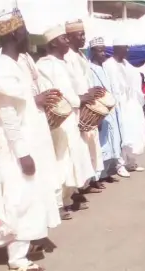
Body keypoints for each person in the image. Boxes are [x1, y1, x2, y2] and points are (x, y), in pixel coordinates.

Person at [0, 8, 61, 271]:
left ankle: (27, 244)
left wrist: (40, 100)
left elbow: (26, 97)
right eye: (25, 29)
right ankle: (17, 259)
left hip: (34, 138)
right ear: (15, 32)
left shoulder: (22, 60)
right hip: (17, 146)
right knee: (20, 198)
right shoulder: (1, 65)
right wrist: (22, 153)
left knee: (35, 195)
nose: (28, 34)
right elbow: (7, 114)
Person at [36, 24, 95, 218]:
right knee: (61, 159)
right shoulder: (46, 64)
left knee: (73, 158)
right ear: (53, 42)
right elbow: (59, 92)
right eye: (64, 38)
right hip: (60, 119)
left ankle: (68, 198)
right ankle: (56, 203)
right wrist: (80, 99)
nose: (68, 41)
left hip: (72, 116)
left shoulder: (64, 62)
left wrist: (83, 98)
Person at [64, 19, 105, 192]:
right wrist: (80, 99)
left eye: (83, 34)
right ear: (69, 37)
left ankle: (87, 183)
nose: (83, 38)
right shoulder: (67, 57)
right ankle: (76, 190)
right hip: (76, 106)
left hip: (87, 105)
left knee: (90, 145)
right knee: (78, 149)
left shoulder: (81, 56)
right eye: (79, 35)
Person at [104, 39, 145, 174]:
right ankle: (119, 164)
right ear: (117, 48)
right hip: (118, 105)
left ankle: (131, 162)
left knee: (133, 132)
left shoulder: (127, 65)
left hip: (130, 104)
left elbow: (134, 80)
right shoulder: (108, 65)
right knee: (121, 134)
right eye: (125, 47)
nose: (127, 50)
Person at [88, 37, 123, 182]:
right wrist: (98, 115)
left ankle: (106, 171)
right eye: (100, 51)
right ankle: (97, 176)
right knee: (101, 143)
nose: (103, 54)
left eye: (104, 51)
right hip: (100, 111)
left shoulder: (105, 68)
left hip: (111, 110)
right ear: (93, 52)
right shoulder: (90, 69)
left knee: (112, 140)